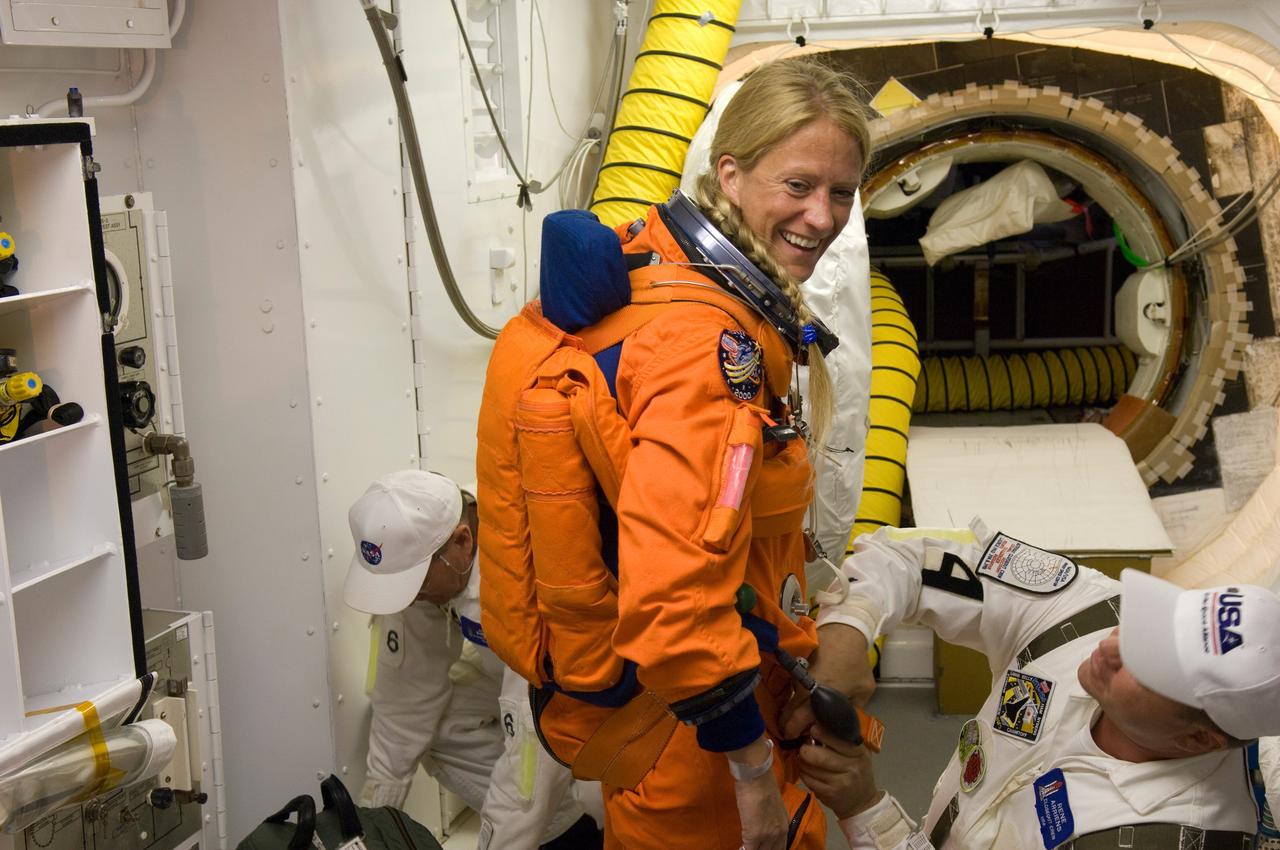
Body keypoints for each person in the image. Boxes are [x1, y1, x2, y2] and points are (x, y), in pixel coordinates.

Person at [478, 59, 872, 850]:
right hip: (700, 750)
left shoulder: (657, 258)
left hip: (692, 708)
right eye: (796, 186)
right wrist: (754, 779)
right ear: (730, 172)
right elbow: (673, 608)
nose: (821, 217)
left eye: (841, 192)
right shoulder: (706, 351)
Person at [786, 520, 1280, 848]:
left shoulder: (1154, 836)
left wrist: (865, 811)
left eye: (1144, 665)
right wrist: (850, 627)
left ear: (1196, 739)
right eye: (1147, 623)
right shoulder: (1091, 611)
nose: (1109, 647)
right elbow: (912, 559)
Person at [344, 469, 602, 850]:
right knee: (438, 722)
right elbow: (403, 706)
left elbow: (532, 741)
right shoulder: (423, 554)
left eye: (414, 585)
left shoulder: (522, 569)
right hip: (521, 682)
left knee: (550, 773)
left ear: (462, 542)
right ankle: (561, 834)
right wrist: (367, 829)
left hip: (600, 691)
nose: (409, 600)